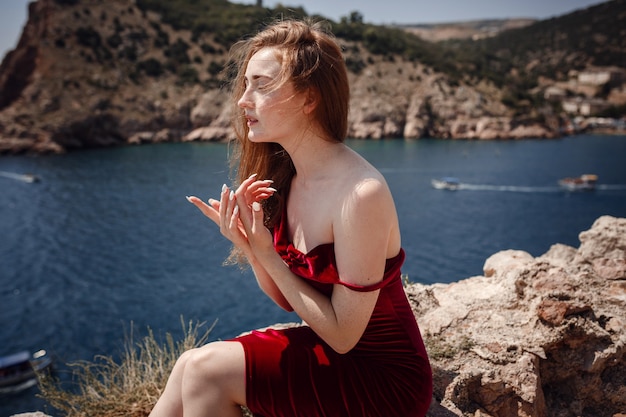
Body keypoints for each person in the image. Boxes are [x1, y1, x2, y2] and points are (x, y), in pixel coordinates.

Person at [150, 19, 432, 417]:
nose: (243, 100)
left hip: (383, 381)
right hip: (335, 351)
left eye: (261, 85)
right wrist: (248, 243)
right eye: (245, 84)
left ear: (309, 99)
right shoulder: (290, 180)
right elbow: (287, 300)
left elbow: (343, 336)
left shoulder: (360, 194)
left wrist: (265, 254)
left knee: (205, 372)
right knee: (186, 366)